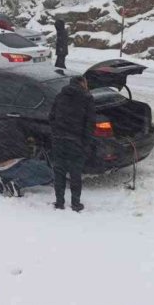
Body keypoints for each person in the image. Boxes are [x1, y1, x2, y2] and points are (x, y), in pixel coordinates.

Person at [49, 75, 95, 211]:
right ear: (82, 83)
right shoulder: (87, 99)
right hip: (76, 141)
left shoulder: (60, 96)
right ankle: (75, 204)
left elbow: (51, 117)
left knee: (59, 172)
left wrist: (57, 133)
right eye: (86, 83)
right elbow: (90, 124)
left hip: (59, 141)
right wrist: (85, 142)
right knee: (75, 174)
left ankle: (59, 202)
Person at [0, 120, 54, 197]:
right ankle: (16, 185)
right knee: (48, 174)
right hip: (15, 164)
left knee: (24, 167)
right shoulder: (23, 128)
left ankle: (5, 185)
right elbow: (31, 150)